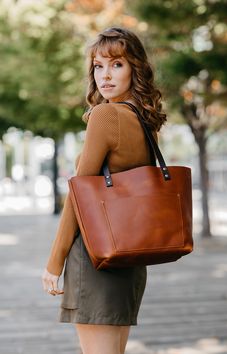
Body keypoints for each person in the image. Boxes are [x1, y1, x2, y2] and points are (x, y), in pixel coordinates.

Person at [42, 26, 166, 354]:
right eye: (98, 66)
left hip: (97, 257)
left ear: (135, 68)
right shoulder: (144, 119)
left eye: (117, 64)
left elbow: (79, 195)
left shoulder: (105, 115)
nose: (105, 75)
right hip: (129, 260)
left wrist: (55, 261)